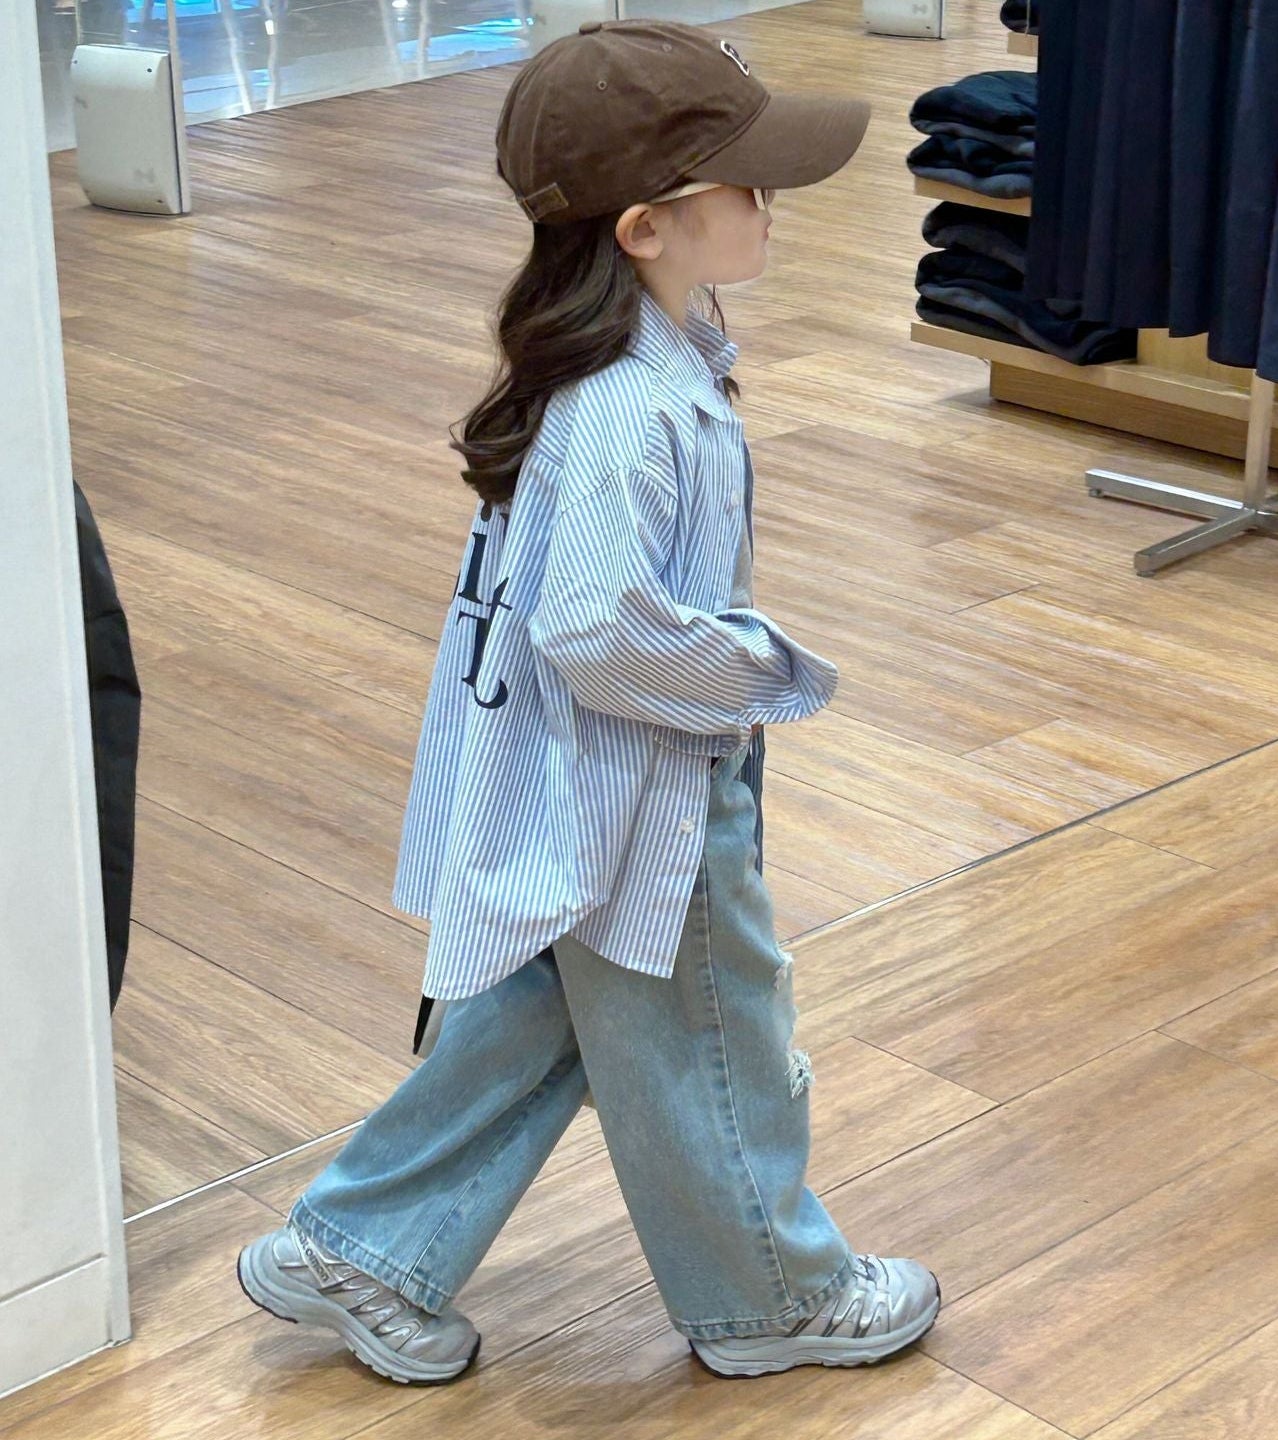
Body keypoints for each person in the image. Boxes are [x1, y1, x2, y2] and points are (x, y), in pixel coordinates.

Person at [237, 20, 939, 1386]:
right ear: (643, 228)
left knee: (549, 1016)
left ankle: (358, 1251)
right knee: (716, 1030)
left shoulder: (638, 369)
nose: (770, 201)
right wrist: (765, 672)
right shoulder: (631, 406)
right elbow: (594, 628)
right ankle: (774, 1297)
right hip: (648, 794)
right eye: (744, 182)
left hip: (584, 784)